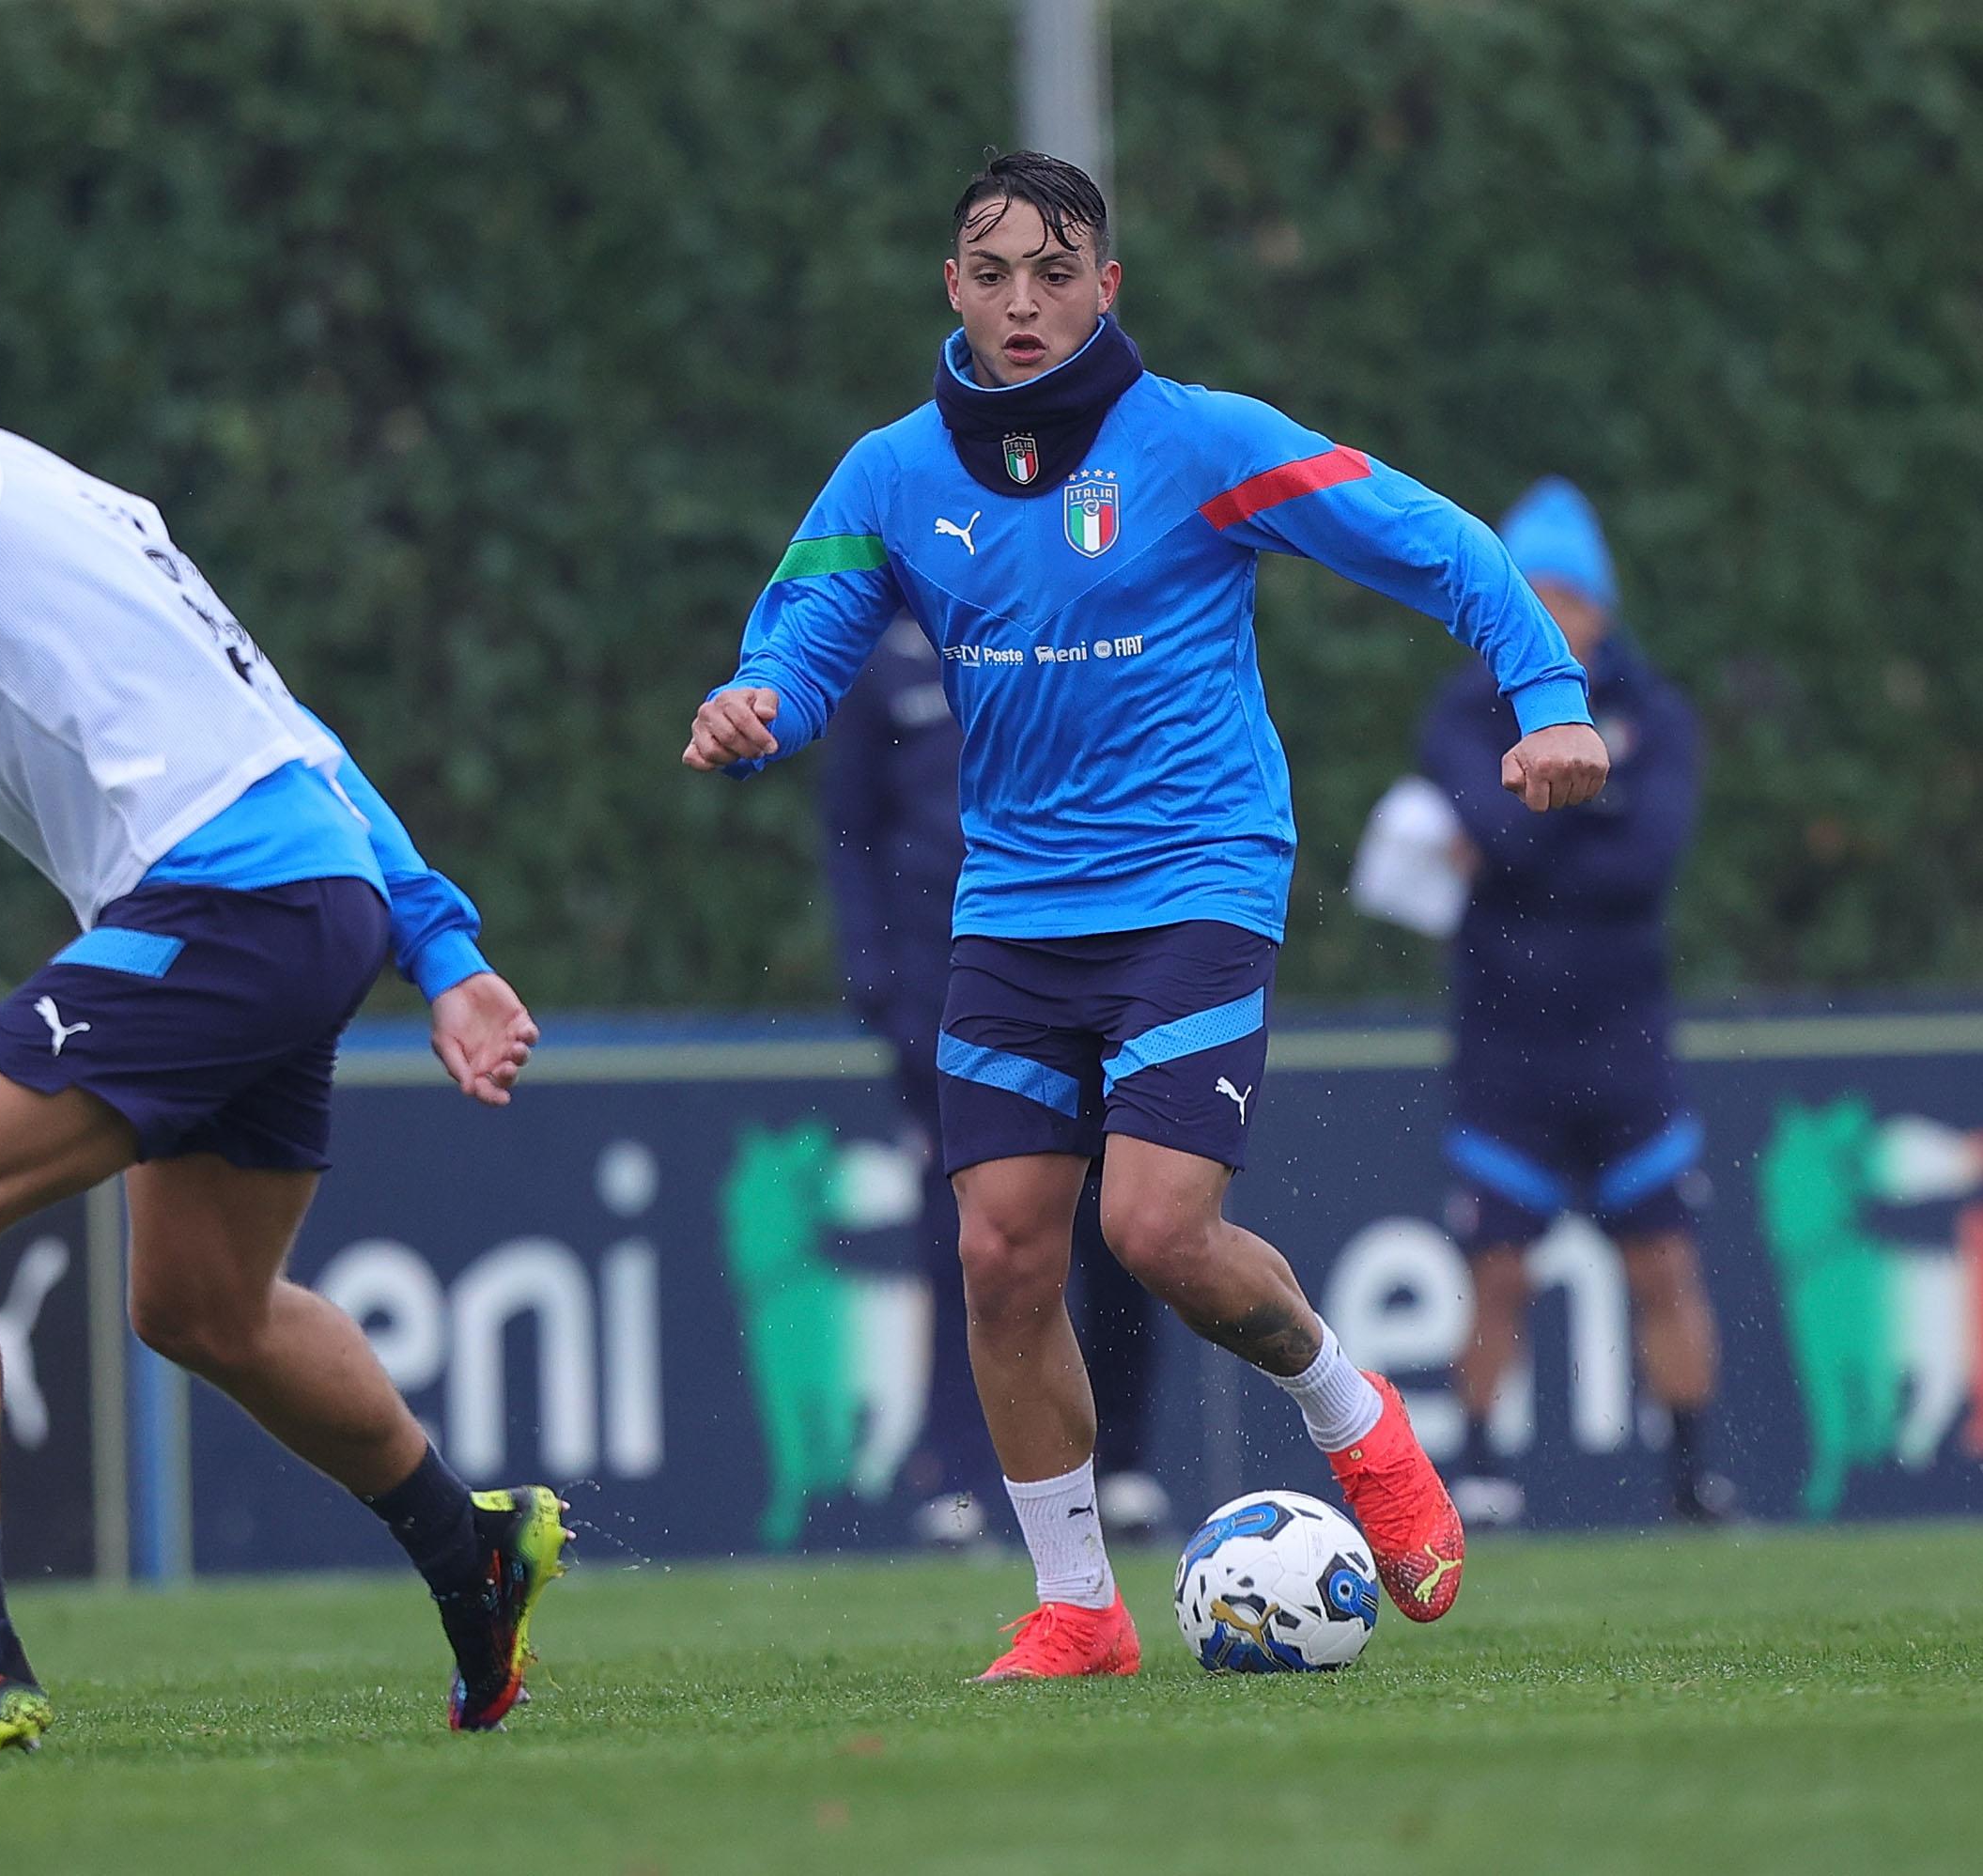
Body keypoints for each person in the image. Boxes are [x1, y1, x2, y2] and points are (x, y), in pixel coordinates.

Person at [684, 153, 1609, 1682]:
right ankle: (1079, 1608)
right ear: (952, 291)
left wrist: (1551, 696)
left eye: (1057, 273)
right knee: (997, 1253)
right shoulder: (891, 475)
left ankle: (1353, 1419)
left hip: (1197, 871)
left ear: (1107, 287)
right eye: (994, 274)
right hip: (1015, 901)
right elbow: (802, 637)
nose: (1026, 302)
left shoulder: (1200, 442)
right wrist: (753, 707)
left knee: (1158, 1228)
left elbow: (1431, 537)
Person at [0, 273, 560, 1763]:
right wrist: (438, 942)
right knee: (198, 1304)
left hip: (220, 903)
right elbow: (292, 726)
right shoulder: (78, 496)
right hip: (309, 889)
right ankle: (470, 1548)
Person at [1421, 477, 1735, 1526]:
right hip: (1505, 1041)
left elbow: (1642, 864)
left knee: (1664, 1262)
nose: (1553, 617)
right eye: (1530, 593)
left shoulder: (1661, 713)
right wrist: (1593, 797)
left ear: (1604, 607)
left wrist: (1535, 816)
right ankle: (1477, 1474)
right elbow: (1509, 834)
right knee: (1496, 1271)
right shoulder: (1461, 713)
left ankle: (1693, 1479)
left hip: (1625, 1038)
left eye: (1570, 595)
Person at [820, 623, 1169, 1546]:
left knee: (1118, 1213)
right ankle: (964, 1468)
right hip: (945, 977)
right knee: (969, 1234)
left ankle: (1123, 1460)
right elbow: (851, 830)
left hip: (1080, 947)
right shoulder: (883, 661)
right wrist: (878, 976)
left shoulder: (1056, 619)